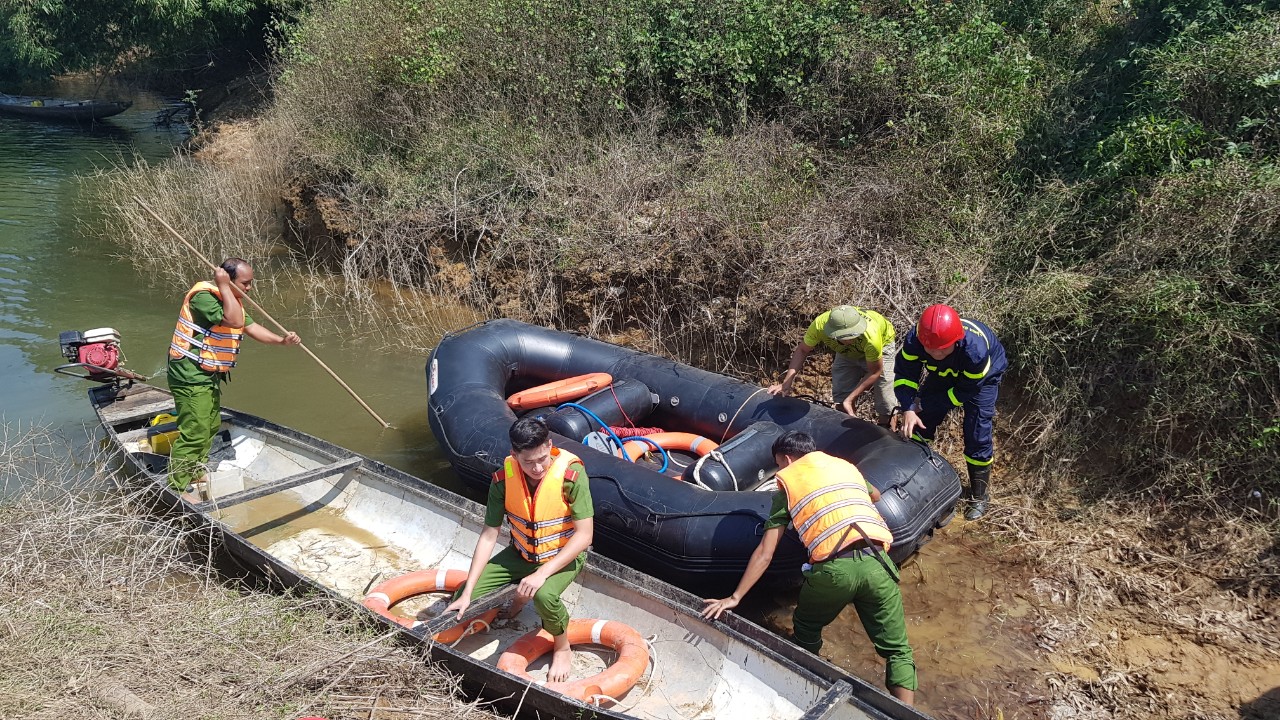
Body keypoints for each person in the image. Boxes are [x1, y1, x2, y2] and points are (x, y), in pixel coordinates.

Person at [702, 431, 917, 706]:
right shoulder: (844, 467)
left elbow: (766, 553)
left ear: (788, 459)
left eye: (779, 465)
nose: (781, 470)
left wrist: (735, 597)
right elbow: (874, 494)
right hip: (877, 561)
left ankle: (805, 690)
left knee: (806, 627)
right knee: (897, 649)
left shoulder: (788, 485)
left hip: (834, 569)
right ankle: (906, 711)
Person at [445, 416, 594, 683]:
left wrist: (542, 573)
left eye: (542, 458)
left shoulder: (572, 475)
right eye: (528, 462)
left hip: (562, 557)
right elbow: (489, 535)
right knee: (465, 594)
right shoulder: (503, 479)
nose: (537, 468)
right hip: (521, 554)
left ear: (549, 445)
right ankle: (515, 598)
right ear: (514, 455)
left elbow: (584, 536)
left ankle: (562, 646)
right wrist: (467, 592)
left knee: (545, 596)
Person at [166, 258, 300, 499]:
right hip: (189, 374)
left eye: (251, 284)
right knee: (195, 430)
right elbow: (235, 321)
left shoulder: (230, 299)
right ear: (227, 279)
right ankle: (176, 487)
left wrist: (282, 341)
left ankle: (195, 470)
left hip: (208, 374)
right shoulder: (204, 298)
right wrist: (225, 287)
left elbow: (250, 327)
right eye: (245, 284)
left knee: (210, 424)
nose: (249, 289)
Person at [893, 304, 1006, 520]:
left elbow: (962, 393)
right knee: (921, 420)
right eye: (930, 349)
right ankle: (916, 476)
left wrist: (925, 403)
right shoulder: (915, 341)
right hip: (945, 373)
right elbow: (905, 376)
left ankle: (979, 495)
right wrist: (908, 407)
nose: (936, 353)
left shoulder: (975, 352)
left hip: (981, 380)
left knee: (976, 431)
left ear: (956, 340)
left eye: (942, 349)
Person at [767, 305, 897, 426]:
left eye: (853, 334)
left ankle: (888, 435)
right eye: (845, 337)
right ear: (833, 333)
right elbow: (802, 350)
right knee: (841, 396)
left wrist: (851, 398)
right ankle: (848, 429)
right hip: (846, 353)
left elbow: (875, 371)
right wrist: (787, 382)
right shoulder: (820, 326)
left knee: (885, 398)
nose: (851, 339)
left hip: (882, 346)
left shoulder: (871, 337)